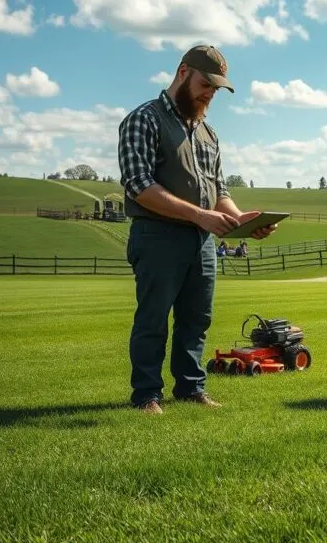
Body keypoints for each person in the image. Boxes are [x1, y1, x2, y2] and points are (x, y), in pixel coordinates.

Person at [117, 44, 277, 414]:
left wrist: (240, 221)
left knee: (197, 318)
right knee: (153, 318)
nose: (210, 94)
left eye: (217, 89)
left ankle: (191, 388)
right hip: (157, 235)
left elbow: (217, 190)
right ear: (183, 72)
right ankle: (146, 396)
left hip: (201, 242)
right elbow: (139, 185)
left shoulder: (208, 133)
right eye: (207, 84)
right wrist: (200, 215)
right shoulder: (144, 119)